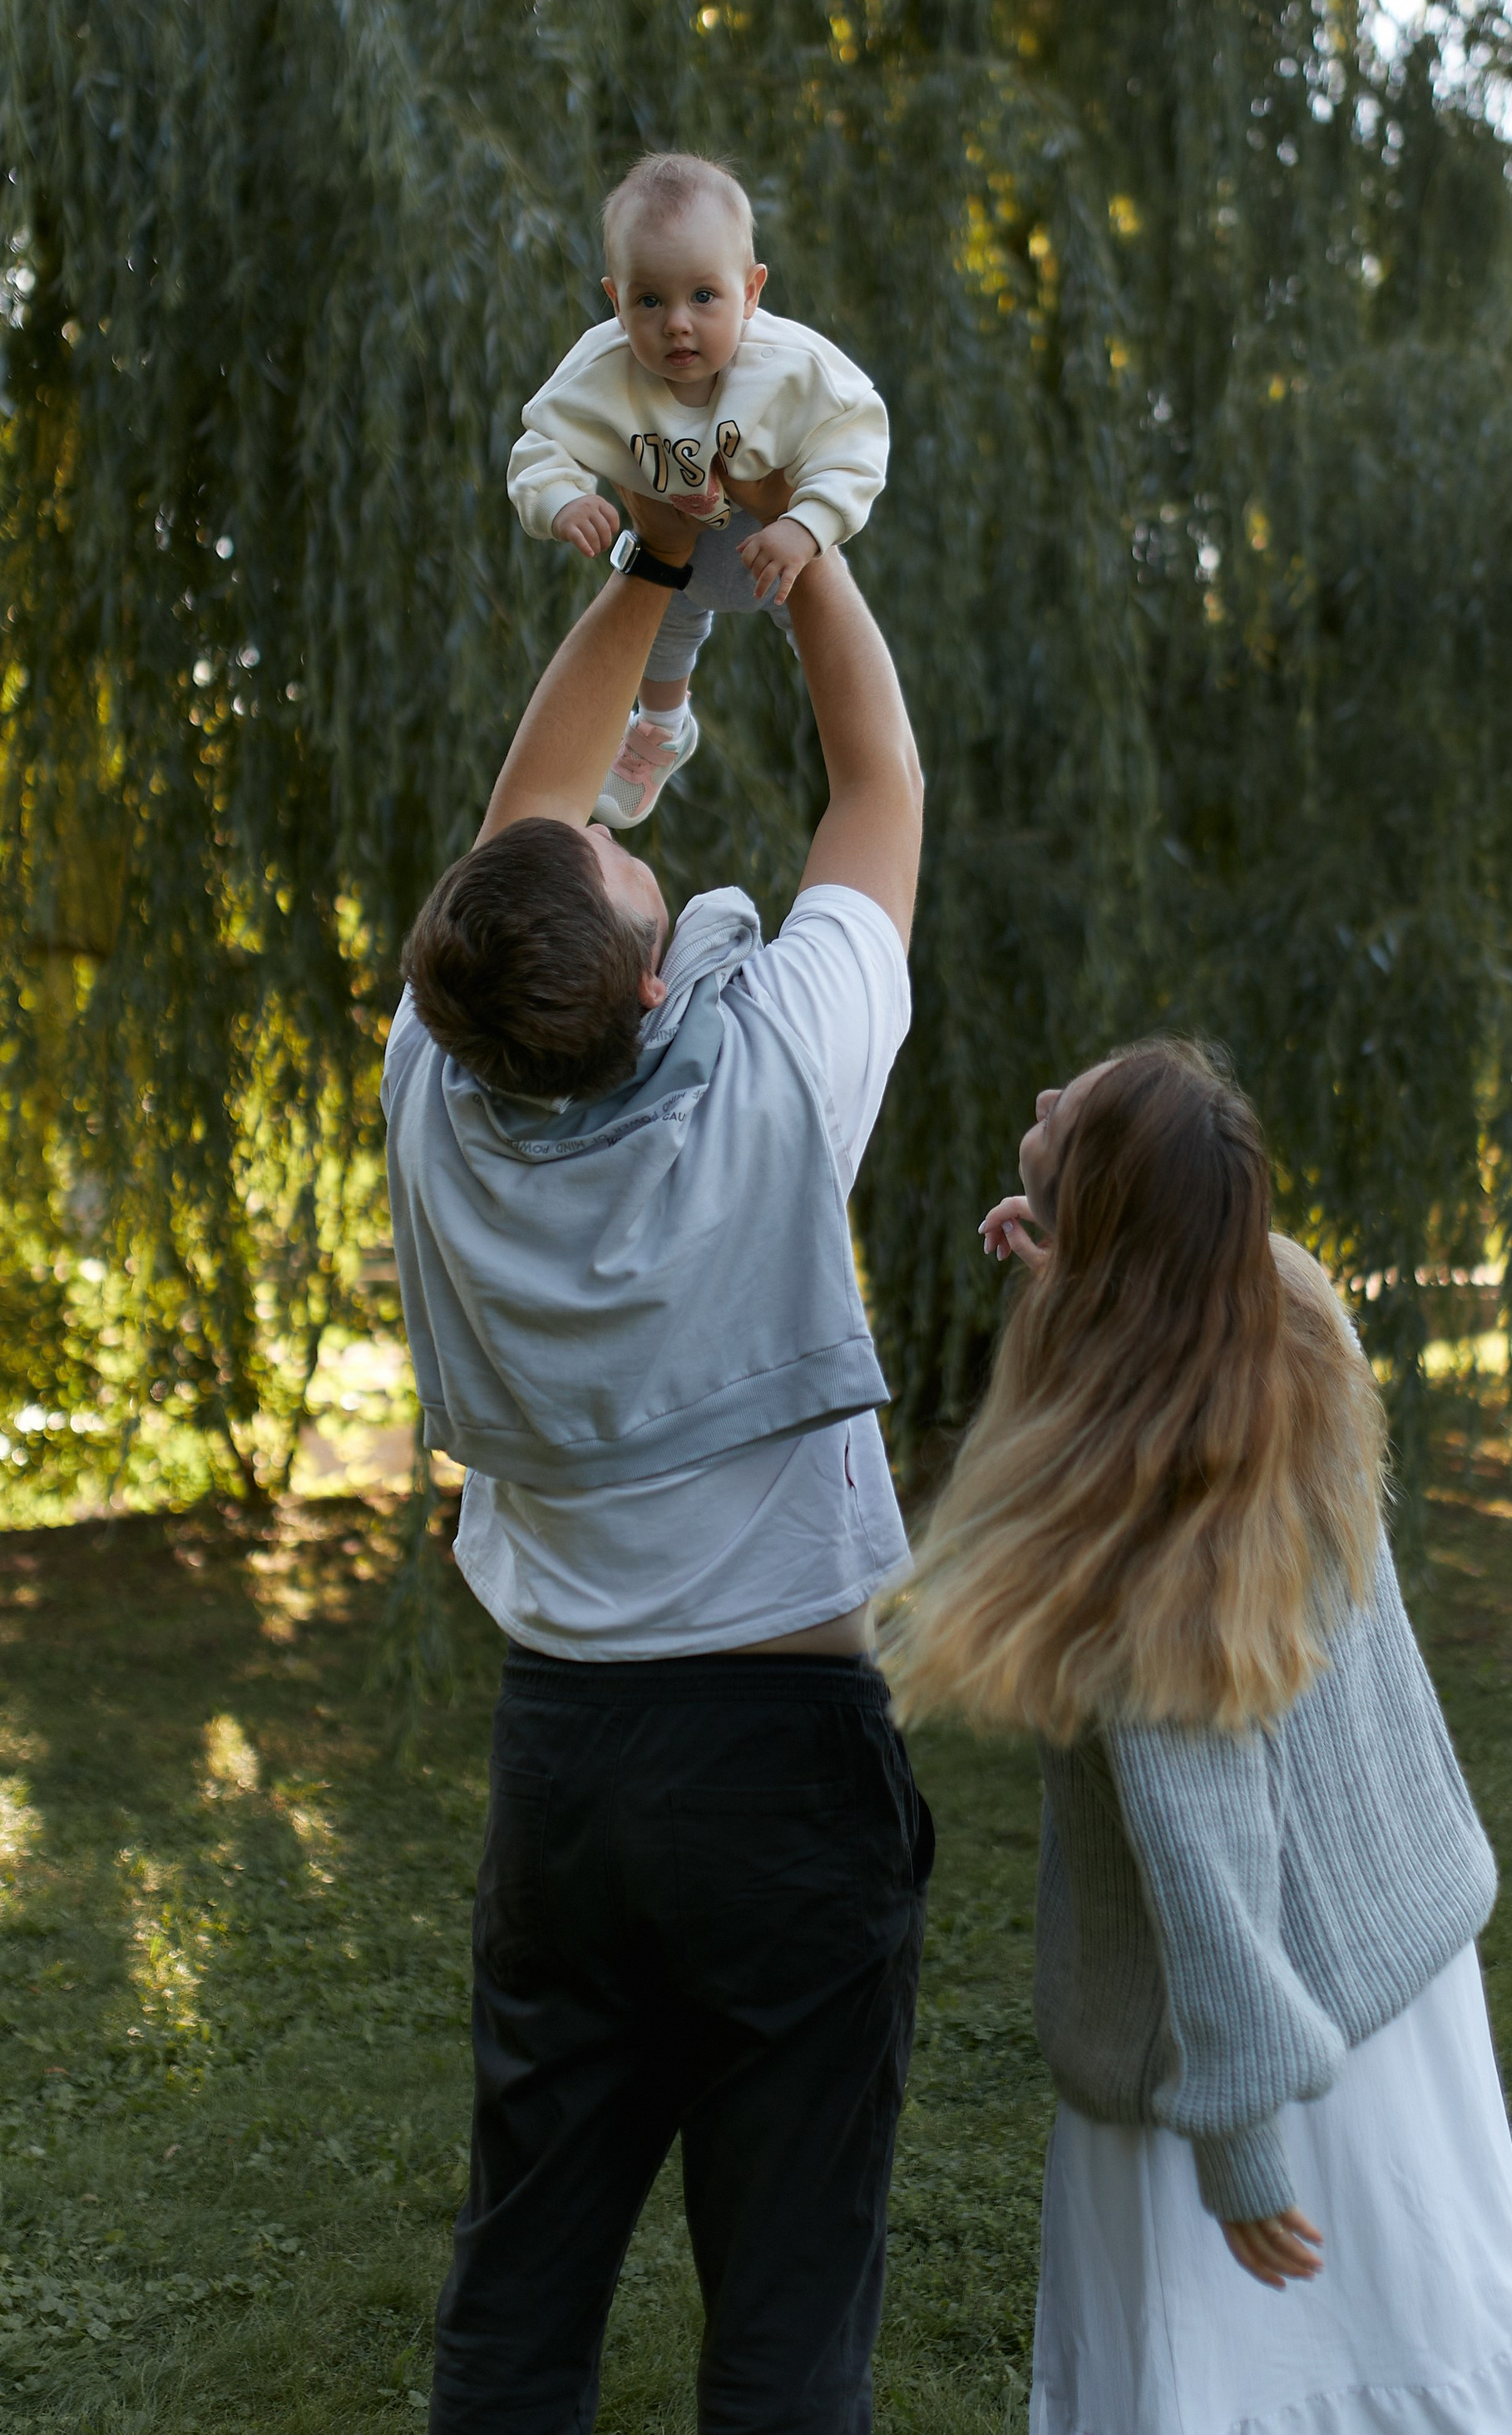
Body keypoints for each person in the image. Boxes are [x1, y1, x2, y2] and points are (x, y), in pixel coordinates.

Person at [886, 1040, 1512, 2435]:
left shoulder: (1141, 1511)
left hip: (1257, 2027)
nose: (1038, 1101)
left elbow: (1205, 1835)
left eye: (1064, 1114)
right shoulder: (1287, 1312)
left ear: (1106, 1219)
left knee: (1250, 2374)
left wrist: (1243, 2133)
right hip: (1398, 1961)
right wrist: (1079, 1272)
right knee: (1463, 2306)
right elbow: (1174, 1275)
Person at [382, 473, 929, 2435]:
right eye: (621, 868)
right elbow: (872, 793)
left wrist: (654, 561)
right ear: (643, 983)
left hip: (564, 1768)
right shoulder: (772, 1070)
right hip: (777, 1765)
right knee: (784, 2315)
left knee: (519, 2287)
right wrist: (808, 560)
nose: (617, 835)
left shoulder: (434, 1091)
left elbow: (528, 823)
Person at [507, 151, 890, 829]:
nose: (677, 322)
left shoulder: (790, 365)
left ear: (752, 291)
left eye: (703, 297)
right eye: (649, 300)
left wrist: (806, 526)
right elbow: (540, 443)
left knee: (827, 642)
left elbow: (857, 437)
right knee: (663, 625)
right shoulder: (602, 371)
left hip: (774, 543)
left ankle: (873, 760)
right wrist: (563, 500)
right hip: (679, 554)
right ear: (614, 300)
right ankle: (661, 729)